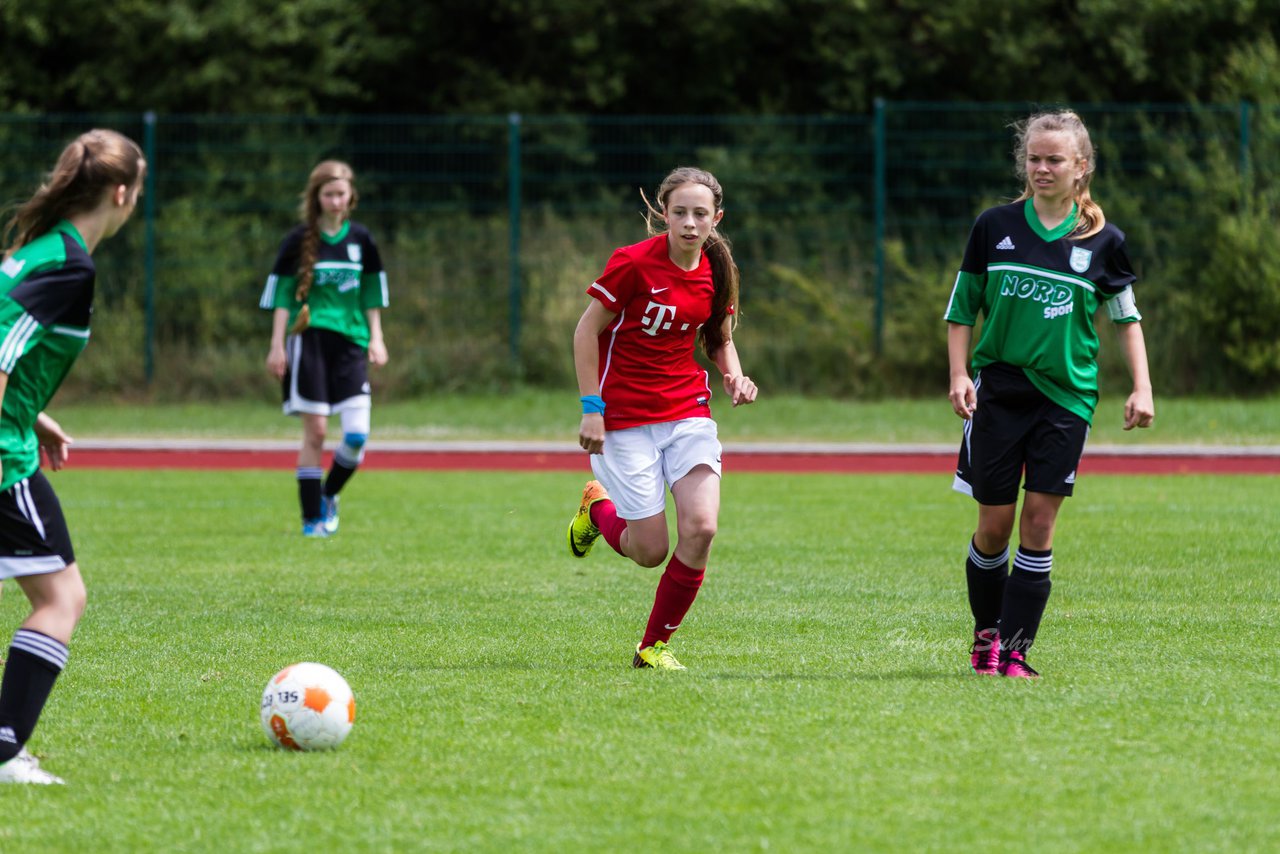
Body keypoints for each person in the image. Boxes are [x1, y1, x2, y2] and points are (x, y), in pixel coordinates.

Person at [944, 110, 1155, 679]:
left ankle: (1014, 653)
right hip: (999, 392)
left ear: (1080, 167)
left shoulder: (1104, 241)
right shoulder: (994, 226)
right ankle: (985, 635)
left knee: (1038, 523)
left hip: (1066, 397)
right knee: (993, 526)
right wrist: (960, 375)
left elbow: (1126, 319)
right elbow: (962, 310)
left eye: (1054, 159)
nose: (1042, 168)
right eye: (1034, 158)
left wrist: (1142, 386)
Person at [566, 166, 758, 671]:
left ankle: (653, 647)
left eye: (701, 214)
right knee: (649, 550)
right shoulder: (632, 264)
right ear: (663, 214)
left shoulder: (718, 270)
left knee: (702, 526)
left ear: (717, 218)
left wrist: (733, 376)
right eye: (680, 213)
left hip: (687, 413)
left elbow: (719, 338)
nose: (690, 224)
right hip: (624, 418)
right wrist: (592, 409)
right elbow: (586, 333)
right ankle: (596, 510)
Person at [0, 129, 146, 784]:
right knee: (62, 597)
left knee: (58, 593)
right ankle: (4, 754)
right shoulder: (69, 266)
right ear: (121, 192)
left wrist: (36, 409)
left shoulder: (38, 250)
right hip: (4, 459)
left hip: (17, 433)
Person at [260, 160, 389, 538]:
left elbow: (372, 292)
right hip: (309, 344)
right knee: (315, 433)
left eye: (341, 194)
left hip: (351, 344)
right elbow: (282, 295)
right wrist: (276, 345)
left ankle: (328, 494)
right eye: (328, 194)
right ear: (316, 198)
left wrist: (377, 337)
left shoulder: (362, 240)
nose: (335, 201)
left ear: (351, 198)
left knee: (356, 435)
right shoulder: (298, 240)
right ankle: (311, 519)